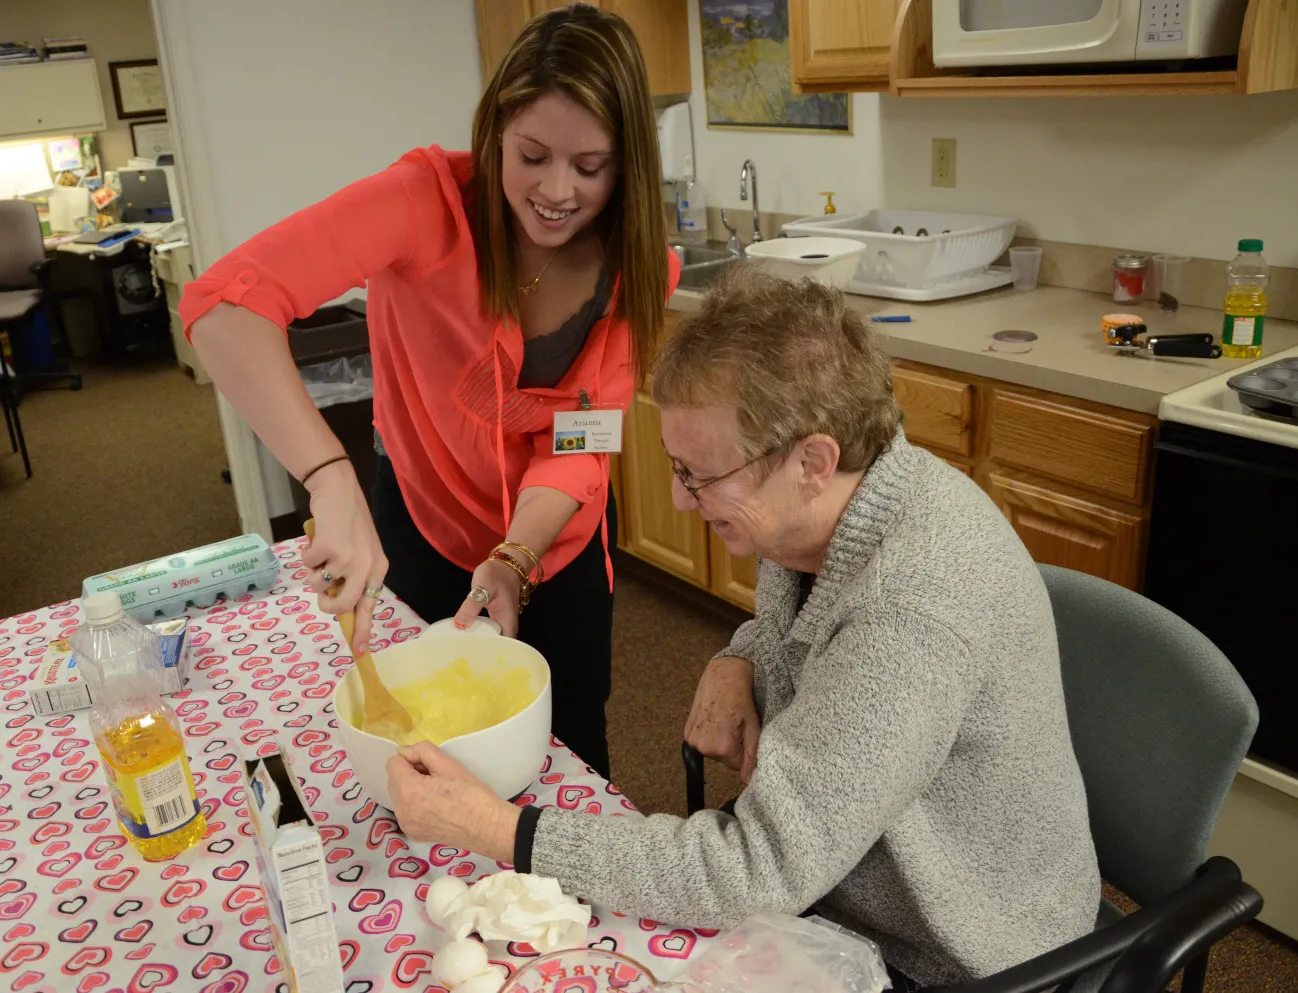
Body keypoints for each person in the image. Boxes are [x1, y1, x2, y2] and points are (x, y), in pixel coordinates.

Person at [386, 269, 1101, 988]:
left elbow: (755, 870)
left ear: (811, 461)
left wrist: (500, 829)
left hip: (959, 950)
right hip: (847, 872)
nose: (678, 497)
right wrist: (740, 655)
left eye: (698, 474)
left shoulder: (911, 609)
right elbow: (794, 621)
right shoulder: (827, 507)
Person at [181, 5, 678, 777]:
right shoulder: (421, 201)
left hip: (559, 539)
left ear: (628, 167)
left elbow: (583, 441)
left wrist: (516, 557)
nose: (556, 191)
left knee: (575, 739)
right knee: (428, 750)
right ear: (496, 133)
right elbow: (224, 308)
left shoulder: (641, 267)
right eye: (533, 155)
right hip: (423, 523)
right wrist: (328, 474)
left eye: (591, 167)